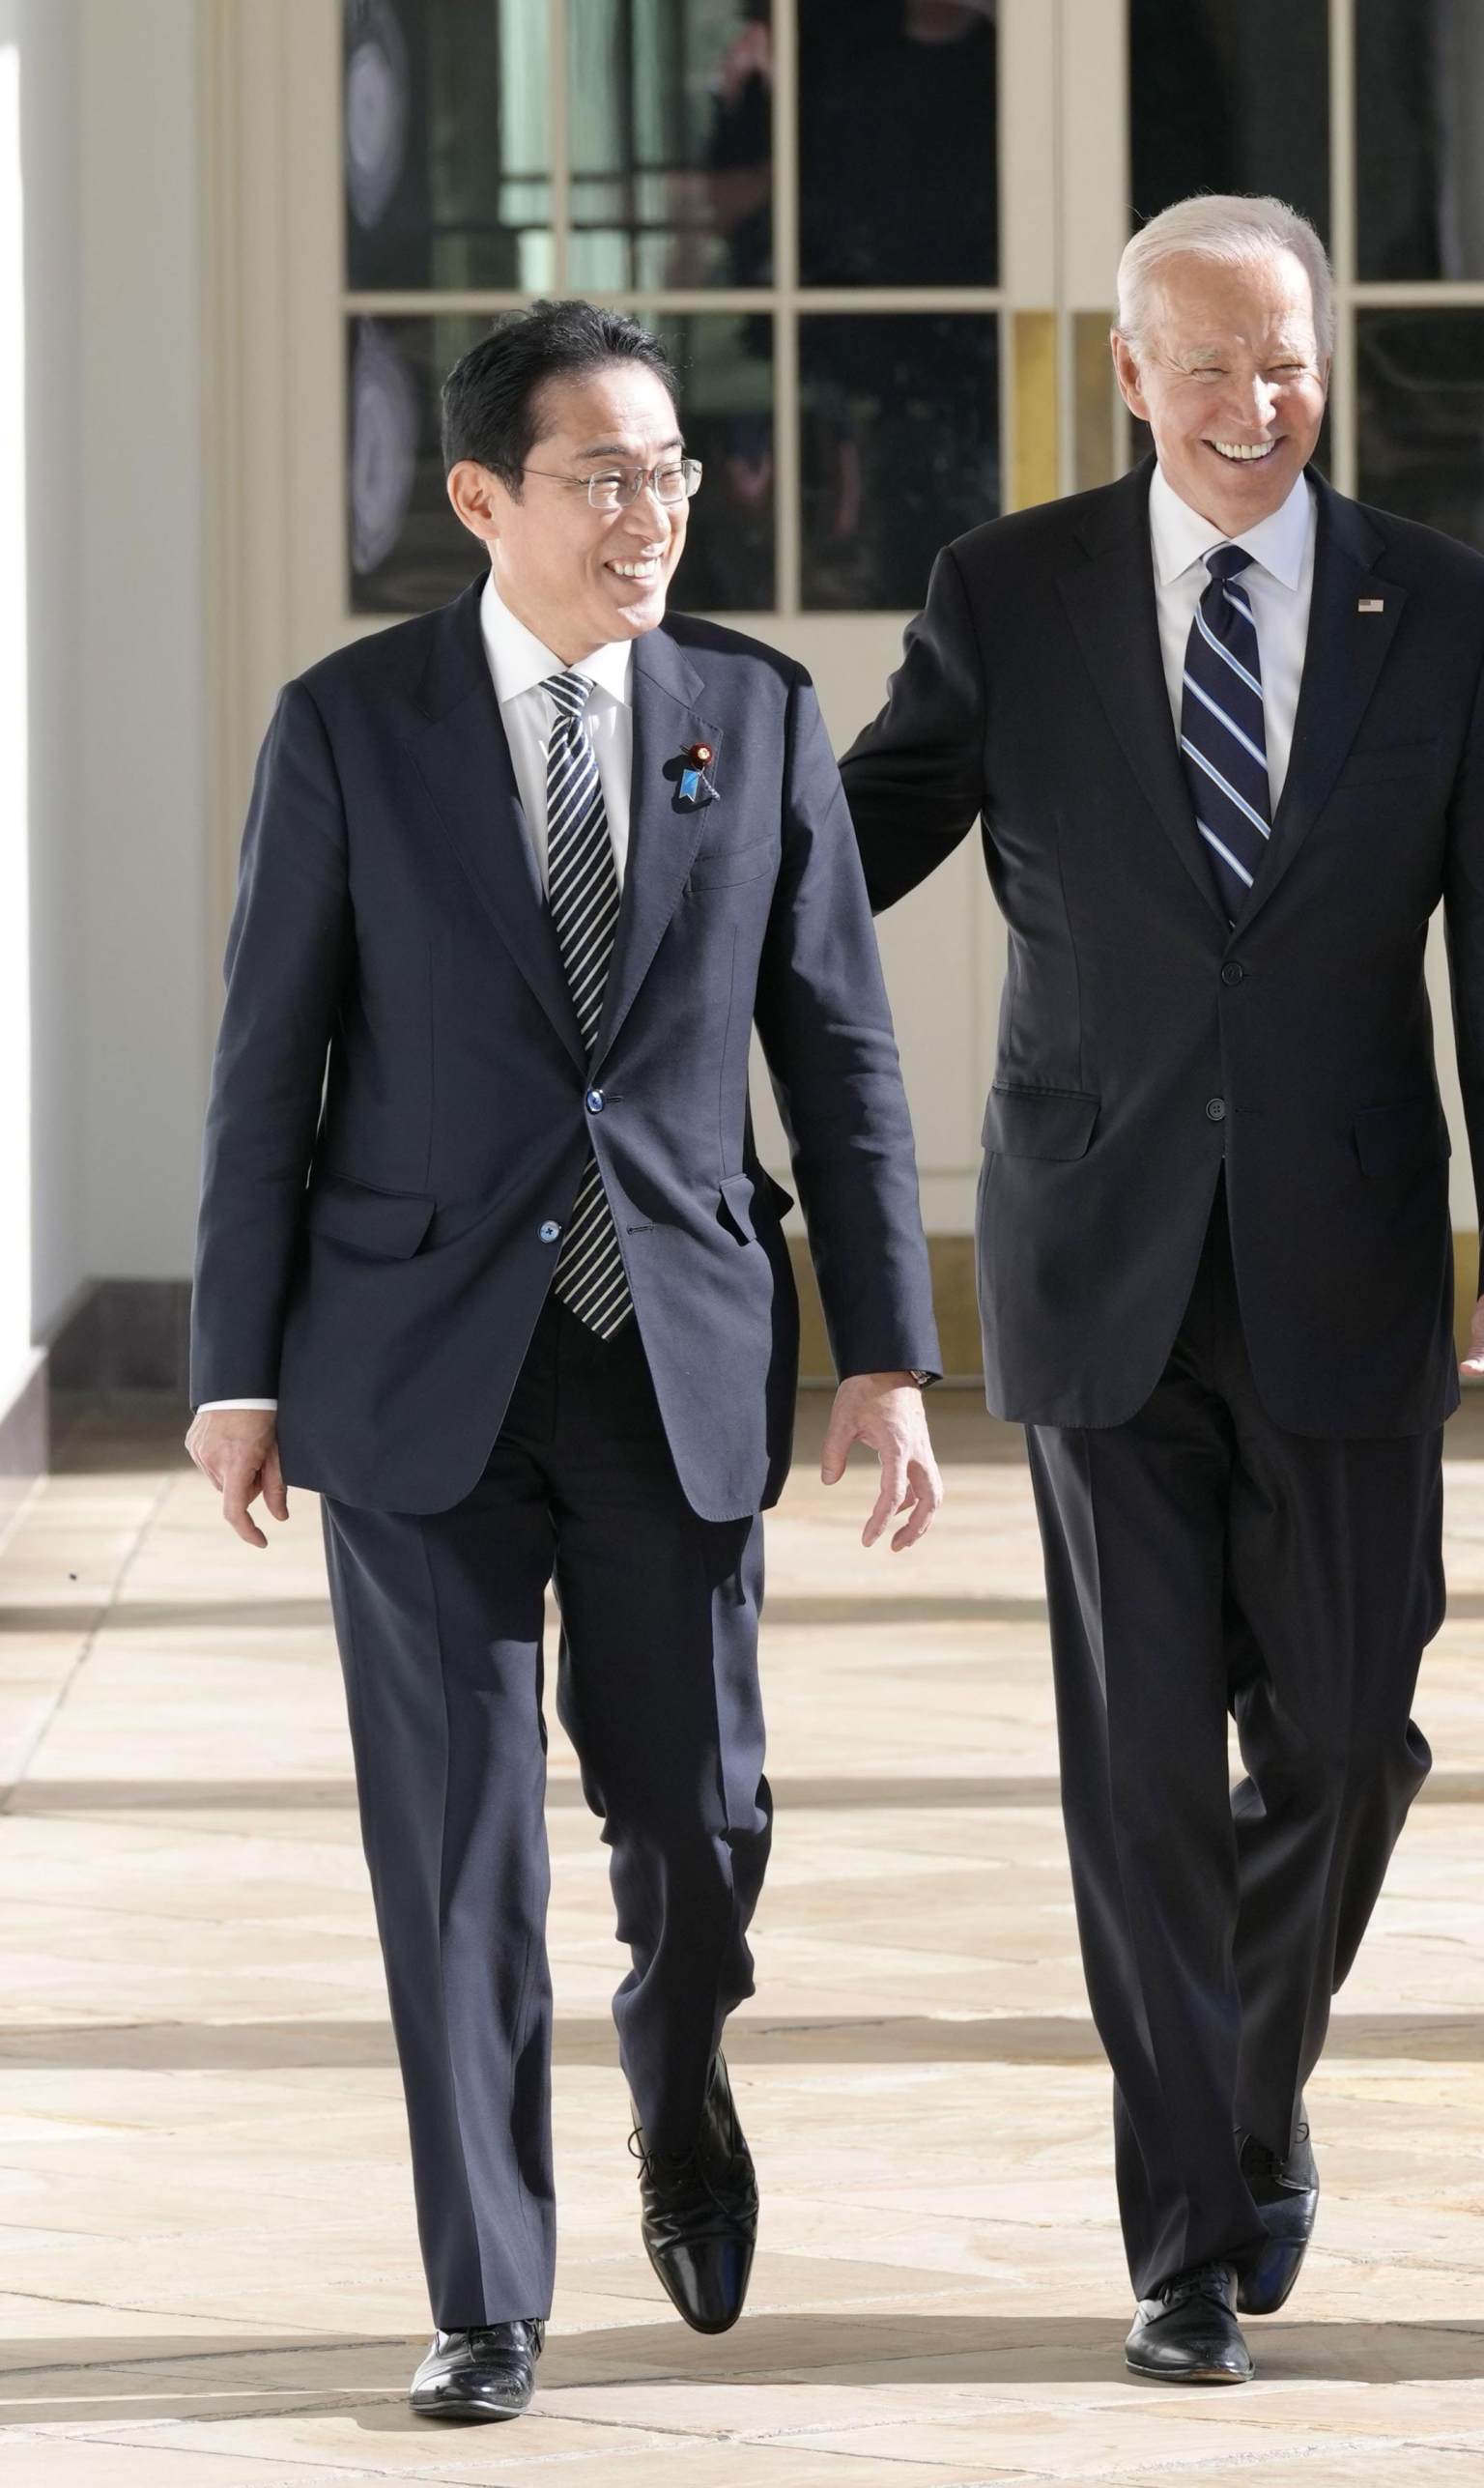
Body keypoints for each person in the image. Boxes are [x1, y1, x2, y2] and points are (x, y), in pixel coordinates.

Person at [841, 195, 1484, 2386]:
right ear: (1130, 373)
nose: (1253, 405)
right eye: (1209, 365)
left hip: (1353, 1270)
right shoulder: (1012, 595)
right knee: (1145, 1775)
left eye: (1286, 362)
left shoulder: (1441, 614)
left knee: (1350, 1740)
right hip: (1097, 1268)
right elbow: (850, 833)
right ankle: (1183, 2229)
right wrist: (640, 796)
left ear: (1323, 365)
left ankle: (1245, 2086)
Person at [186, 300, 944, 2424]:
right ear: (481, 499)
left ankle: (679, 2067)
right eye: (603, 475)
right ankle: (485, 2288)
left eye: (673, 472)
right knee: (455, 1847)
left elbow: (842, 1054)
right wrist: (232, 1365)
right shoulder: (351, 727)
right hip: (412, 1355)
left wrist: (887, 1349)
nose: (652, 513)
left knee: (697, 1821)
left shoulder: (756, 714)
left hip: (671, 1345)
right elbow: (270, 1062)